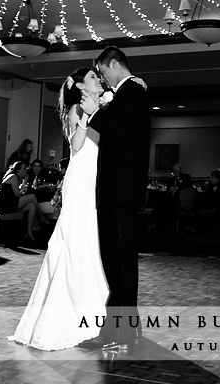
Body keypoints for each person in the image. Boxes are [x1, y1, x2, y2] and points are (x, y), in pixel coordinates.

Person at [9, 68, 110, 350]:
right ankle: (74, 308)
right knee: (77, 237)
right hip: (80, 178)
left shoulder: (96, 106)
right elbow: (76, 145)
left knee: (89, 238)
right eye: (93, 78)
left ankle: (92, 304)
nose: (98, 81)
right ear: (80, 85)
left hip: (92, 176)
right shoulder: (78, 108)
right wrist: (89, 115)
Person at [80, 46, 152, 348]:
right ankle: (124, 327)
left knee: (120, 261)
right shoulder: (127, 92)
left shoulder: (132, 90)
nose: (103, 78)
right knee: (116, 259)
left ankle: (118, 331)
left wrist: (95, 113)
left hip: (120, 190)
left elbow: (124, 138)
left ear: (113, 64)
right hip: (117, 189)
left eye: (103, 71)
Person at [0, 161, 47, 240]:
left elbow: (17, 193)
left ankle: (29, 232)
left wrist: (24, 184)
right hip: (6, 205)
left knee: (32, 206)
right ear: (18, 170)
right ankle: (41, 217)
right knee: (32, 196)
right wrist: (24, 183)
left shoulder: (15, 177)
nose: (26, 170)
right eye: (24, 168)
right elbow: (17, 194)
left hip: (11, 203)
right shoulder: (13, 177)